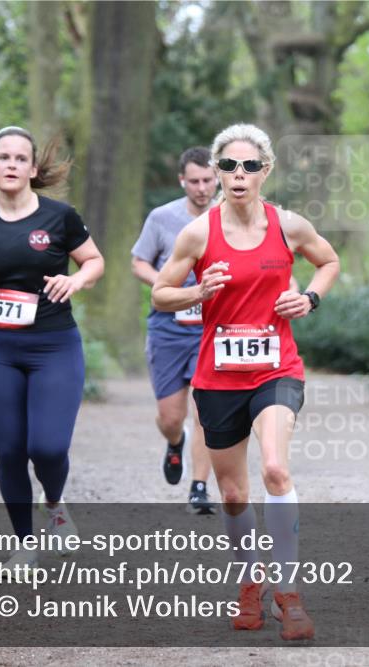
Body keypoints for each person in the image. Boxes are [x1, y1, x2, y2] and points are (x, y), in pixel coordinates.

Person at [152, 123, 340, 641]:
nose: (239, 175)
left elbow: (328, 261)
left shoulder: (289, 225)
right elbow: (160, 295)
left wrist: (310, 299)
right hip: (218, 377)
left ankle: (288, 593)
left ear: (266, 171)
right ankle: (250, 581)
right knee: (233, 493)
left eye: (250, 166)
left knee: (276, 469)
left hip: (276, 368)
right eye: (229, 166)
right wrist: (197, 293)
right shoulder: (198, 233)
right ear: (215, 172)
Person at [0, 126, 104, 575]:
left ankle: (54, 503)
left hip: (54, 344)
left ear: (32, 169)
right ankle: (24, 542)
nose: (12, 165)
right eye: (4, 157)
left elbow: (94, 261)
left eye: (21, 158)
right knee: (11, 451)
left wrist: (75, 280)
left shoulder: (60, 217)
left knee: (49, 447)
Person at [131, 147, 218, 513]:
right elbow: (139, 263)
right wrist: (168, 288)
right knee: (171, 417)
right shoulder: (162, 217)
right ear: (182, 181)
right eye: (194, 181)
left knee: (207, 410)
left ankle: (199, 488)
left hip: (213, 325)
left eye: (207, 180)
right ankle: (173, 441)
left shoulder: (229, 216)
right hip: (169, 326)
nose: (201, 188)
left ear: (218, 179)